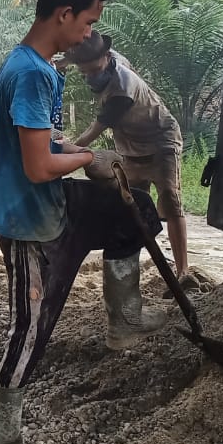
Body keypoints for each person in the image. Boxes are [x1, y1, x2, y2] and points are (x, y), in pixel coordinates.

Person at [0, 0, 162, 444]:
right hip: (29, 220)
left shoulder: (31, 64)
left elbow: (47, 144)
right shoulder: (32, 74)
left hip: (47, 204)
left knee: (136, 214)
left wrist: (84, 151)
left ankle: (125, 317)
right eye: (87, 22)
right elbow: (38, 166)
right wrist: (86, 162)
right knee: (30, 331)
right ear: (63, 15)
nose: (89, 34)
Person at [65, 32, 189, 277]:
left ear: (107, 58)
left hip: (160, 141)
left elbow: (94, 131)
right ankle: (130, 270)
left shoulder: (122, 88)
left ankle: (183, 272)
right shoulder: (111, 59)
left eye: (93, 70)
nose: (90, 77)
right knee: (130, 208)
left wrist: (65, 154)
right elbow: (67, 60)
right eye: (84, 73)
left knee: (170, 203)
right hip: (130, 149)